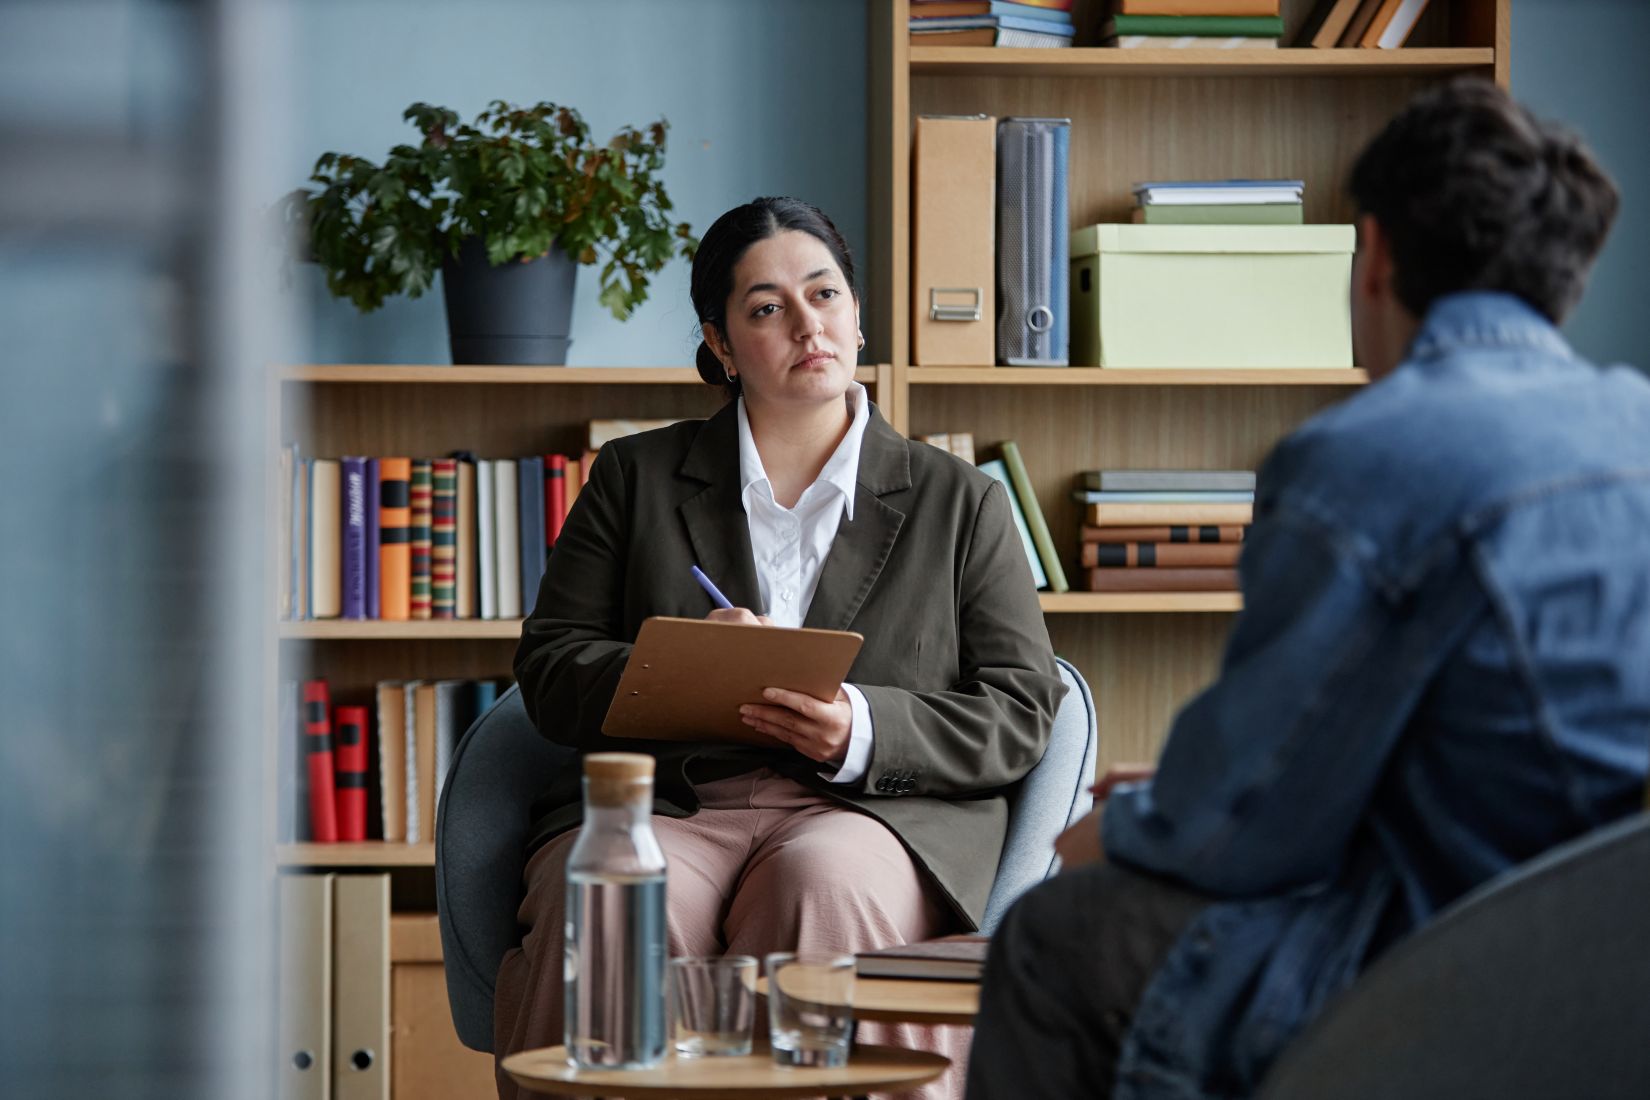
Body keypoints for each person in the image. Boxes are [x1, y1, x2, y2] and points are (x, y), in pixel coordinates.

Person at [966, 78, 1650, 1100]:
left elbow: (1248, 827)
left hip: (1474, 951)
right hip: (1614, 943)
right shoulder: (1636, 422)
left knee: (1049, 935)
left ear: (1372, 255)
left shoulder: (1365, 452)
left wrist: (1129, 822)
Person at [494, 196, 1067, 1100]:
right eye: (766, 308)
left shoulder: (962, 502)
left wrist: (860, 730)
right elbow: (551, 669)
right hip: (674, 805)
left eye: (825, 294)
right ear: (720, 346)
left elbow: (1023, 711)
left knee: (821, 883)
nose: (808, 324)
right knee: (611, 900)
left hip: (871, 814)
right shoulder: (632, 478)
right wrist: (673, 660)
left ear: (857, 313)